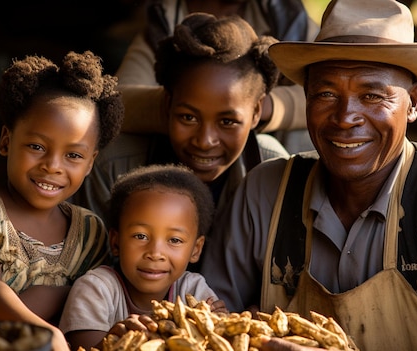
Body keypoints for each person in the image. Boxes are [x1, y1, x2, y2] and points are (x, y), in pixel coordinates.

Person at [200, 0, 417, 350]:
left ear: (413, 103)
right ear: (306, 99)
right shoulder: (265, 193)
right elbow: (205, 322)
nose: (346, 117)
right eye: (327, 93)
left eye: (372, 95)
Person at [0, 51, 124, 351]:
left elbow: (100, 302)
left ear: (90, 163)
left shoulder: (89, 233)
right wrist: (49, 332)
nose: (53, 166)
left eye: (73, 155)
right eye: (37, 146)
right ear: (6, 141)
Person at [72, 13, 290, 271]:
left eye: (228, 122)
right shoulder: (113, 166)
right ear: (166, 104)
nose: (205, 141)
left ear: (256, 113)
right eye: (188, 117)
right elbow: (89, 272)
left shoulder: (274, 171)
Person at [114, 0, 320, 153]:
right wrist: (187, 111)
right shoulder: (165, 20)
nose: (207, 140)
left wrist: (258, 108)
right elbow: (118, 101)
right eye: (187, 115)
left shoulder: (285, 16)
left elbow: (330, 93)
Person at [60, 164, 227, 350]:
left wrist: (220, 325)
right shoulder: (96, 289)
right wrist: (116, 339)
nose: (155, 253)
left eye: (174, 240)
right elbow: (84, 347)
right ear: (116, 242)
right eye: (140, 236)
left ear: (196, 249)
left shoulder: (194, 290)